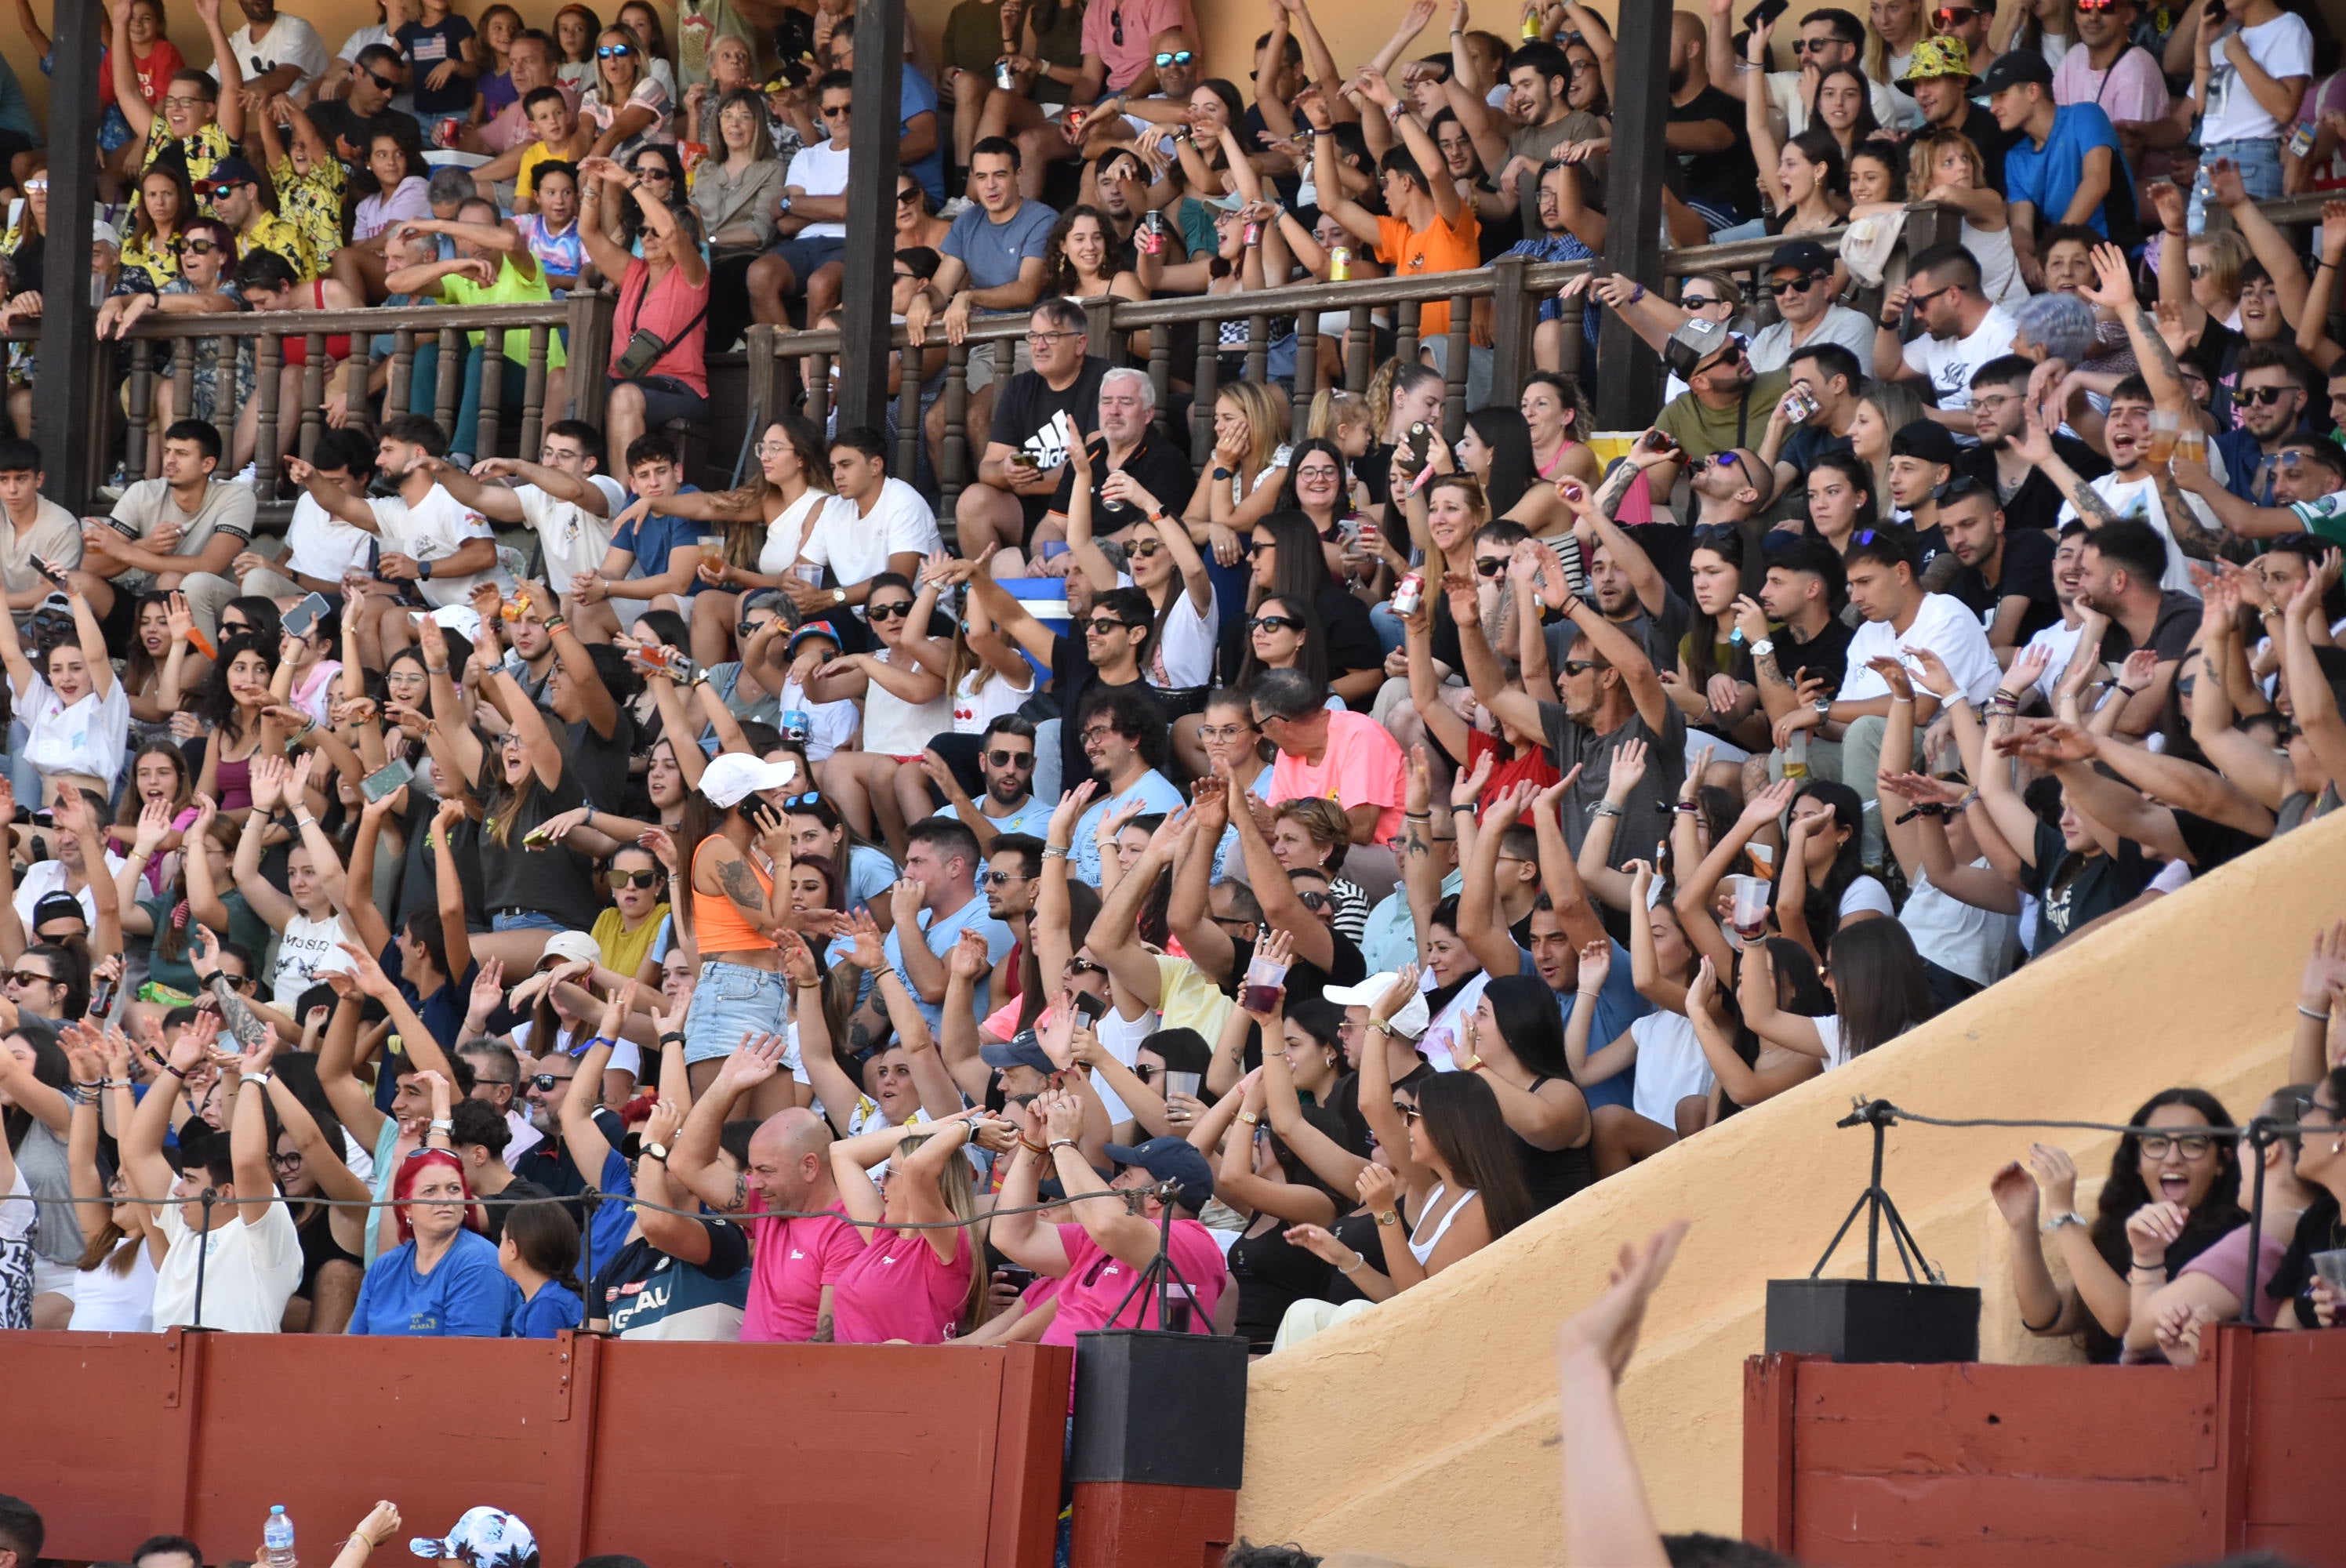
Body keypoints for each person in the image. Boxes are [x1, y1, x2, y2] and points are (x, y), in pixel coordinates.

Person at [1991, 1088, 2246, 1361]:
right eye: (2156, 1144)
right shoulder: (2125, 1233)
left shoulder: (2234, 1238)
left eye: (2193, 1144)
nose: (2172, 1158)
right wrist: (2022, 1226)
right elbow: (2047, 1317)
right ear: (2137, 1161)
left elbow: (2121, 1320)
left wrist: (2064, 1215)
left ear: (2223, 1161)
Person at [120, 1018, 302, 1332]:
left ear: (228, 1191)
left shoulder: (264, 1233)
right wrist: (175, 1067)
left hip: (237, 1375)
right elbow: (138, 1152)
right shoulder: (184, 1225)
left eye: (190, 1181)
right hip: (168, 1371)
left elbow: (246, 1161)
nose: (178, 1191)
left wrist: (251, 1078)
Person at [956, 299, 1109, 564]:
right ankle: (987, 595)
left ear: (1080, 343)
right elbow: (988, 468)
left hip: (1084, 510)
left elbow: (1100, 464)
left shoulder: (1104, 379)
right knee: (973, 500)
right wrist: (1005, 470)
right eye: (1034, 336)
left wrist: (1030, 484)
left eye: (1051, 336)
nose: (1039, 346)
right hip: (1027, 511)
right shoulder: (1020, 388)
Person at [348, 1147, 518, 1336]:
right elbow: (355, 1348)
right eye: (430, 1191)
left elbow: (469, 1358)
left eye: (454, 1189)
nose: (445, 1200)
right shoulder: (383, 1268)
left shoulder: (478, 1261)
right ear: (406, 1207)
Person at [1876, 242, 2024, 434]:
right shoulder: (1938, 336)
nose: (1916, 314)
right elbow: (1887, 370)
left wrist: (1925, 414)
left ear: (1953, 295)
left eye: (1920, 303)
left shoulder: (2006, 337)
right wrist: (1888, 321)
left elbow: (2004, 418)